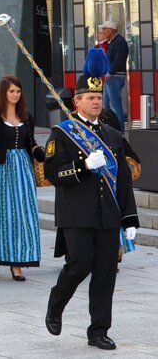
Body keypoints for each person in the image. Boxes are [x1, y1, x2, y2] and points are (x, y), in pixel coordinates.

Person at [44, 48, 139, 350]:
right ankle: (56, 303)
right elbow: (52, 173)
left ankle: (98, 330)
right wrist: (82, 166)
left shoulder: (112, 135)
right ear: (77, 102)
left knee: (106, 274)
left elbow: (123, 180)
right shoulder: (62, 133)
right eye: (90, 98)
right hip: (77, 212)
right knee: (79, 265)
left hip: (108, 214)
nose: (96, 102)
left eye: (98, 97)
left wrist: (130, 218)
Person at [0, 76, 44, 280]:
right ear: (3, 93)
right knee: (0, 215)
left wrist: (39, 152)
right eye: (11, 91)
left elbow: (30, 142)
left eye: (18, 91)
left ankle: (17, 263)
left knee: (23, 215)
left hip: (23, 169)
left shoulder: (26, 116)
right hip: (0, 169)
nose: (15, 95)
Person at [98, 21, 129, 130]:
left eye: (104, 29)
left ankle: (119, 132)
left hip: (114, 76)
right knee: (106, 105)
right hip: (111, 76)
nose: (102, 31)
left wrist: (110, 72)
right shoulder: (113, 41)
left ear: (110, 30)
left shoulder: (120, 42)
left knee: (115, 107)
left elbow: (118, 60)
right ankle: (111, 129)